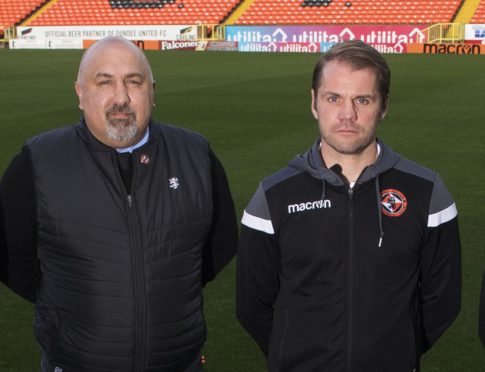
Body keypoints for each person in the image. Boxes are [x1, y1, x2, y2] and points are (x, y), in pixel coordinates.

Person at [0, 36, 238, 372]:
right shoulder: (38, 162)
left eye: (134, 82)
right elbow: (12, 260)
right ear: (80, 93)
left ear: (152, 92)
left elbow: (220, 245)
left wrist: (165, 282)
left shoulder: (195, 154)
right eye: (105, 82)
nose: (121, 98)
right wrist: (65, 296)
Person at [236, 40, 461, 372]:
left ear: (383, 106)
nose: (347, 115)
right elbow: (252, 305)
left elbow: (442, 301)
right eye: (333, 98)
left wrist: (398, 350)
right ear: (314, 103)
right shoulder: (273, 195)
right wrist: (294, 353)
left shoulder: (427, 192)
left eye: (363, 100)